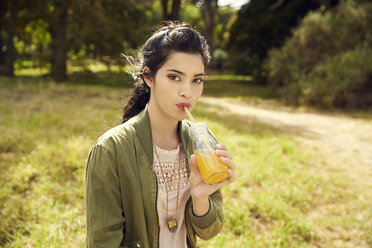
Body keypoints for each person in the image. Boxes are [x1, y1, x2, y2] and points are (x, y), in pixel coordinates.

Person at [85, 22, 235, 248]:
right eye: (175, 77)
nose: (187, 92)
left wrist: (201, 197)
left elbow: (210, 231)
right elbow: (102, 242)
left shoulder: (201, 142)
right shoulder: (111, 150)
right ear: (149, 77)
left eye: (197, 80)